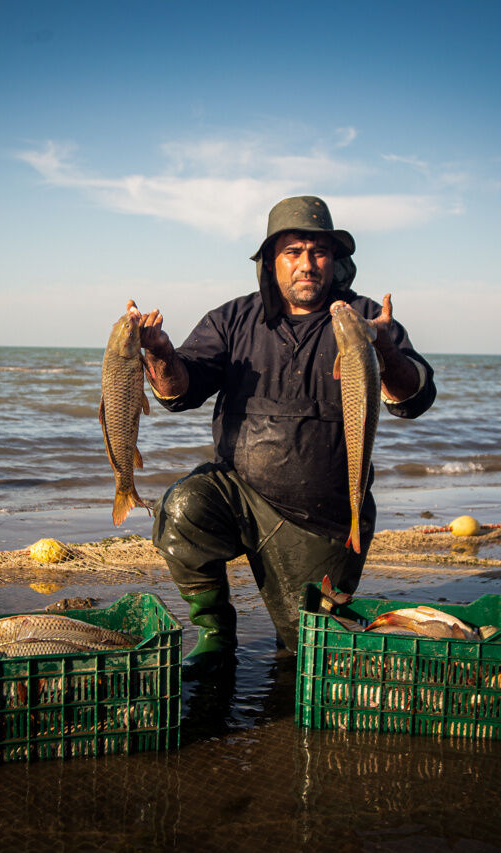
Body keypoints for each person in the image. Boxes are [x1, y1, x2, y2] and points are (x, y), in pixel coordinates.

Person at [130, 195, 436, 677]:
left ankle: (309, 624)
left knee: (304, 659)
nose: (307, 264)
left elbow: (415, 397)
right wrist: (162, 353)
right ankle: (214, 635)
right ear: (270, 262)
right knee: (183, 506)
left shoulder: (363, 317)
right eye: (293, 251)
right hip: (239, 497)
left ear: (335, 261)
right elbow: (177, 394)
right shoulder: (231, 320)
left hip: (326, 519)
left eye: (318, 252)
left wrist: (383, 349)